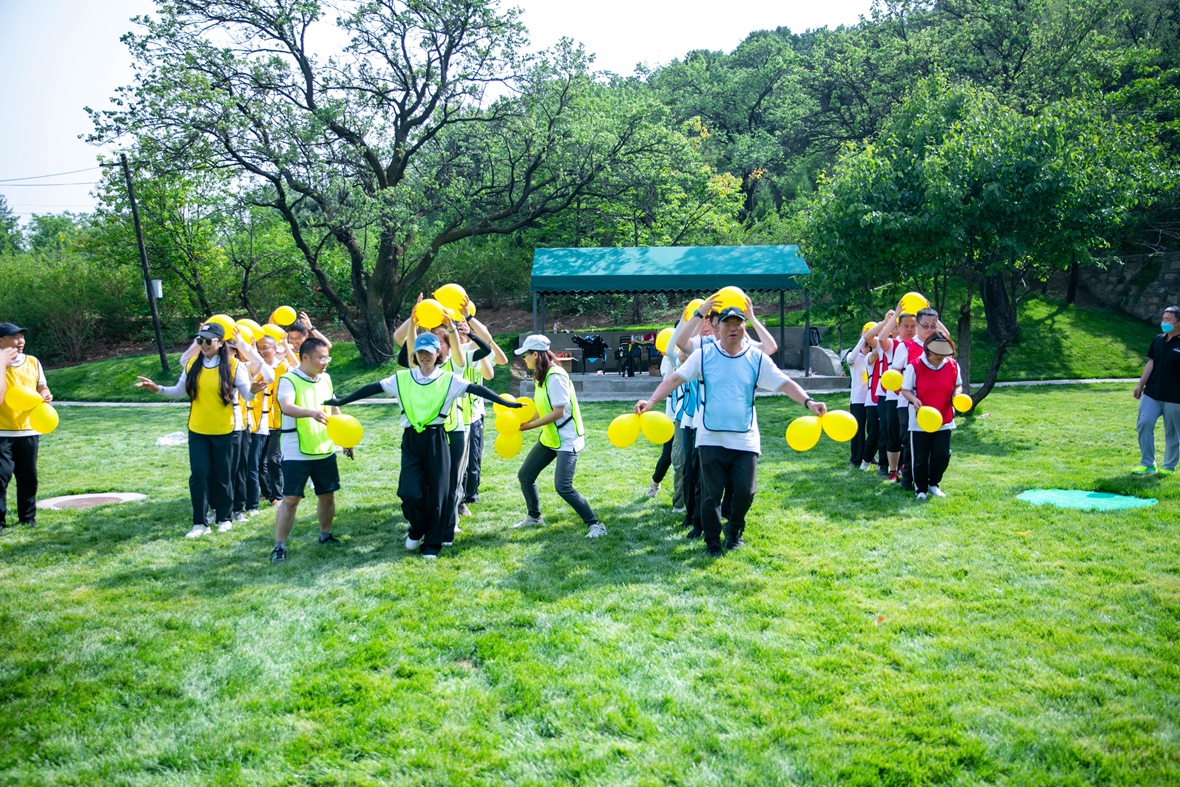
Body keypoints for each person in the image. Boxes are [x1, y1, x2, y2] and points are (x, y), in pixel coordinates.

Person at [638, 306, 827, 556]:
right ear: (719, 327)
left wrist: (809, 402)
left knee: (746, 492)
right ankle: (713, 542)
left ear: (744, 327)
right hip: (710, 437)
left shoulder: (756, 357)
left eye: (738, 324)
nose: (733, 328)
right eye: (728, 324)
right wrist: (651, 401)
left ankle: (734, 530)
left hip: (745, 438)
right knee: (711, 496)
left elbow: (785, 382)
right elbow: (675, 379)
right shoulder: (704, 355)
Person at [328, 332, 519, 558]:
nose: (424, 356)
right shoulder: (402, 378)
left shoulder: (448, 379)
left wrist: (505, 402)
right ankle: (417, 528)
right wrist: (342, 401)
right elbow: (372, 388)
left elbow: (476, 389)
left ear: (438, 353)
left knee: (438, 495)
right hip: (411, 440)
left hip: (437, 439)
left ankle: (432, 545)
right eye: (420, 352)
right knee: (408, 492)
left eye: (428, 352)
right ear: (415, 355)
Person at [136, 322, 254, 537]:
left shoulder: (235, 365)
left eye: (208, 340)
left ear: (221, 342)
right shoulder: (192, 364)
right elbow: (178, 391)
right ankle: (200, 523)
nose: (204, 344)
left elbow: (247, 395)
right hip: (198, 430)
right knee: (199, 475)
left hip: (226, 431)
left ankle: (224, 518)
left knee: (224, 476)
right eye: (200, 340)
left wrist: (254, 389)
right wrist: (157, 389)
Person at [513, 335, 605, 537]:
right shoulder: (541, 375)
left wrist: (530, 426)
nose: (524, 359)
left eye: (525, 355)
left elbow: (558, 412)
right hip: (550, 438)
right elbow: (541, 407)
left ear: (535, 354)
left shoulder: (555, 377)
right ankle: (534, 518)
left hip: (567, 438)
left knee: (563, 486)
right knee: (525, 475)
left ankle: (596, 525)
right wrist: (524, 420)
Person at [270, 337, 343, 562]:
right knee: (291, 499)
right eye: (321, 358)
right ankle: (279, 546)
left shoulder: (326, 379)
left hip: (324, 447)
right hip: (296, 451)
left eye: (327, 358)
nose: (325, 362)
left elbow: (334, 409)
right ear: (305, 357)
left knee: (327, 495)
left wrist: (344, 438)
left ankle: (325, 535)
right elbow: (287, 407)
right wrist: (311, 412)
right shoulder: (289, 379)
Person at [0, 324, 52, 535]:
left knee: (28, 477)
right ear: (1, 340)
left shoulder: (33, 362)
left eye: (22, 337)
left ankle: (28, 518)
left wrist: (46, 394)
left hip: (28, 430)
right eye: (14, 337)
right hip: (2, 431)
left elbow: (41, 386)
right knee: (1, 477)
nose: (20, 341)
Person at [900, 333, 962, 499]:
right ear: (928, 350)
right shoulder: (914, 366)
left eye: (943, 354)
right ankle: (920, 489)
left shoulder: (953, 365)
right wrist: (914, 400)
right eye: (936, 354)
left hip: (944, 416)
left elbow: (958, 385)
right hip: (921, 418)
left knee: (942, 454)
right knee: (920, 456)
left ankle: (933, 484)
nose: (939, 357)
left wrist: (957, 394)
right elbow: (905, 389)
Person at [1133, 306, 1180, 475]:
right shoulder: (1158, 340)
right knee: (1144, 423)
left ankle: (1168, 467)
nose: (1164, 322)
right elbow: (1151, 363)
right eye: (1163, 318)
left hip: (1175, 396)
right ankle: (1148, 464)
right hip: (1152, 393)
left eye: (1168, 320)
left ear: (1178, 323)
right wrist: (1140, 385)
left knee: (1172, 432)